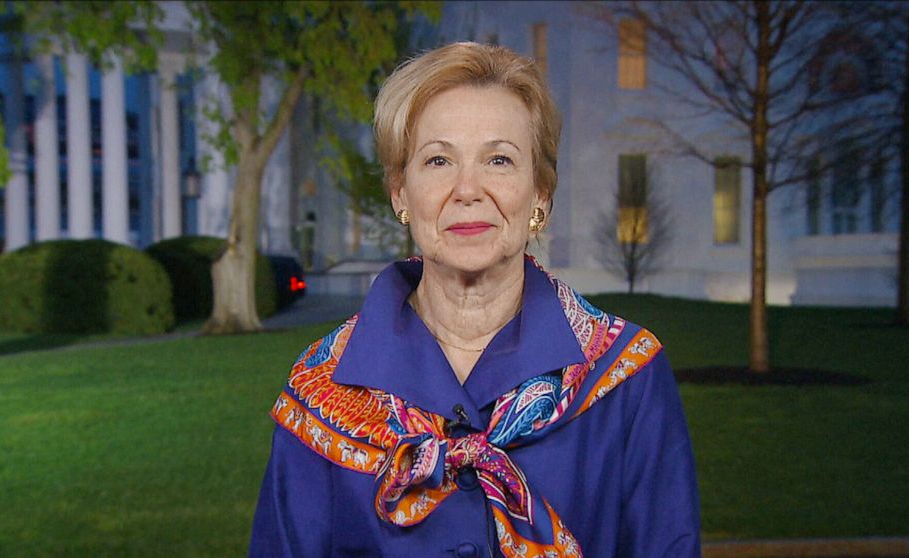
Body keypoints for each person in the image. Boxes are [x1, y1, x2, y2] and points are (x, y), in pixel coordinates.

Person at [250, 42, 700, 558]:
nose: (468, 188)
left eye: (499, 159)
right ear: (401, 192)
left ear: (540, 195)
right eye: (438, 159)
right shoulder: (320, 389)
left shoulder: (629, 380)